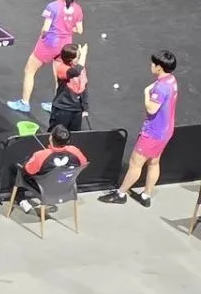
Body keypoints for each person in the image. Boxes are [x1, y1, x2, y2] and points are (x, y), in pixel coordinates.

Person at [101, 50, 178, 206]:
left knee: (135, 164)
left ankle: (121, 194)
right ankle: (146, 195)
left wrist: (146, 93)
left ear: (159, 67)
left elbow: (151, 109)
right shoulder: (171, 80)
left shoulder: (161, 88)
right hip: (166, 131)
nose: (151, 65)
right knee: (154, 162)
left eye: (153, 63)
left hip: (153, 133)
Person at [8, 0, 85, 113]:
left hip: (50, 43)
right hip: (65, 45)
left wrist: (43, 36)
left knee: (29, 70)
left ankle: (24, 103)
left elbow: (45, 28)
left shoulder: (52, 7)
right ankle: (56, 105)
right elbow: (79, 30)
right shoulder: (78, 8)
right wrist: (66, 29)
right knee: (60, 77)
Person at [14, 126, 89, 214]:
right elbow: (84, 164)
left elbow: (28, 170)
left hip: (45, 189)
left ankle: (21, 200)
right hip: (67, 187)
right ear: (68, 141)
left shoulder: (40, 155)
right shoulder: (75, 151)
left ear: (50, 138)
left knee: (18, 170)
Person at [48, 44, 90, 132]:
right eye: (77, 57)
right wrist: (84, 55)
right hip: (63, 108)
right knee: (57, 133)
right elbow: (75, 72)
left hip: (77, 109)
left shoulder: (80, 68)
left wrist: (84, 107)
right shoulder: (62, 69)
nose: (79, 59)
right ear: (69, 59)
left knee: (74, 134)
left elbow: (83, 87)